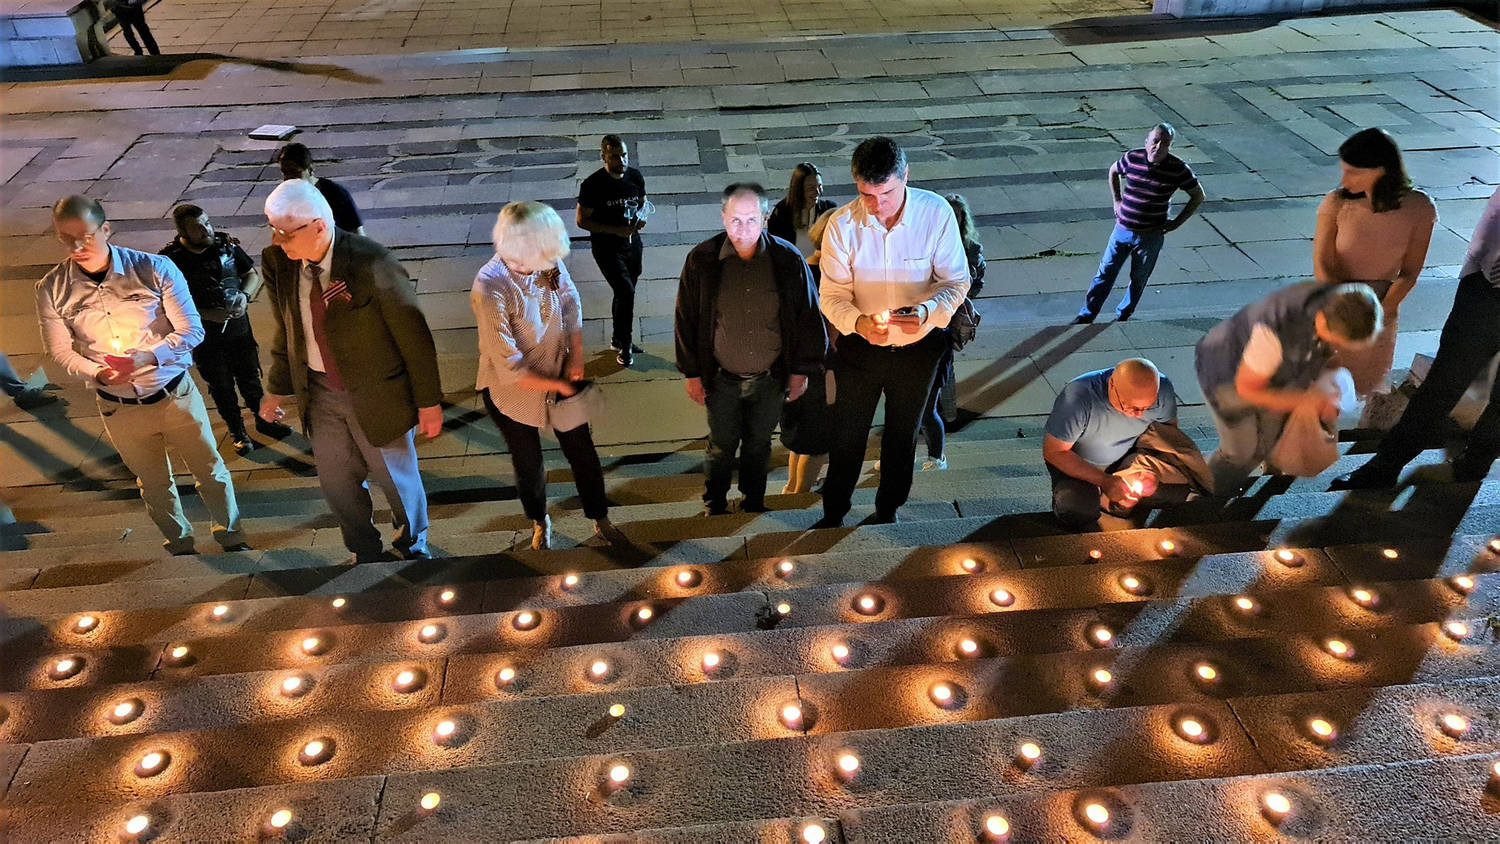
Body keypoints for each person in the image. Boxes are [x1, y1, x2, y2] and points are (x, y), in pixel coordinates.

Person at [36, 196, 246, 556]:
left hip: (174, 394)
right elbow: (60, 351)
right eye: (66, 238)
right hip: (118, 407)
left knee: (209, 470)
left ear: (105, 229)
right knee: (152, 482)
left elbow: (192, 330)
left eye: (86, 236)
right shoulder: (51, 288)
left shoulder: (153, 268)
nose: (77, 247)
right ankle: (179, 542)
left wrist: (147, 357)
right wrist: (98, 372)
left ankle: (230, 536)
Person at [257, 180, 442, 564]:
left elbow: (414, 336)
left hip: (377, 392)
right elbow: (287, 328)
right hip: (319, 392)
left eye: (285, 233)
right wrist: (276, 389)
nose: (276, 241)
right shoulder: (279, 262)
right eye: (272, 229)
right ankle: (363, 550)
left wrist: (428, 402)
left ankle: (412, 545)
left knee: (396, 478)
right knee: (337, 484)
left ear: (318, 227)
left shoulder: (371, 261)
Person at [816, 137, 970, 527]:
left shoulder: (935, 214)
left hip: (919, 348)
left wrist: (926, 311)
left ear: (906, 176)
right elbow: (831, 295)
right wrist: (858, 323)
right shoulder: (842, 225)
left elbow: (956, 281)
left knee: (903, 435)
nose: (877, 205)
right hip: (860, 349)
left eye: (886, 194)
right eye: (866, 194)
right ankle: (834, 510)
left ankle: (888, 509)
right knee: (847, 433)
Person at [473, 201, 627, 550]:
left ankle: (600, 518)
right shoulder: (490, 286)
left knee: (583, 454)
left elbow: (570, 300)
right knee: (528, 463)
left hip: (557, 371)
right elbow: (510, 365)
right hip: (513, 392)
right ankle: (539, 520)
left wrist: (576, 354)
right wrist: (560, 385)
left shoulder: (546, 258)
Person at [1331, 185, 1500, 489]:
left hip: (1485, 288)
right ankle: (1386, 465)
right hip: (1486, 293)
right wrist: (1474, 273)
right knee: (1442, 384)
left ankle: (1475, 464)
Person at [675, 183, 827, 515]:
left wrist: (801, 371)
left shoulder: (787, 259)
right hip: (721, 377)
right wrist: (692, 373)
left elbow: (808, 316)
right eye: (735, 220)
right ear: (723, 217)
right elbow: (686, 318)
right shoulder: (703, 259)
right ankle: (715, 503)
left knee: (759, 444)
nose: (743, 229)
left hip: (770, 377)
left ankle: (753, 502)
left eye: (751, 220)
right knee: (721, 445)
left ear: (766, 217)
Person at [1196, 282, 1381, 496]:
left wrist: (1328, 384)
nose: (1338, 347)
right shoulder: (1274, 334)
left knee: (1274, 432)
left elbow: (1328, 356)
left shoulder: (1333, 305)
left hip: (1276, 370)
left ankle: (1271, 476)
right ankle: (1200, 495)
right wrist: (1308, 400)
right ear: (1322, 320)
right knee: (1242, 451)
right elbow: (1247, 390)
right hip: (1226, 373)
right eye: (1337, 341)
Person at [1312, 128, 1436, 396]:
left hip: (1382, 305)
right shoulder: (1336, 203)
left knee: (1368, 385)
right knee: (1323, 387)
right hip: (1337, 301)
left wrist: (1382, 310)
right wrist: (1346, 307)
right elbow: (1322, 263)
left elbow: (1410, 272)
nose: (1344, 180)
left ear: (1380, 170)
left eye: (1353, 172)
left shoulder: (1419, 208)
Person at [161, 204, 290, 455]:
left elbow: (250, 274)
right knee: (221, 386)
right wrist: (205, 314)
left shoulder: (225, 246)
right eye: (198, 228)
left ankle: (264, 420)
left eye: (207, 223)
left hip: (238, 329)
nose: (206, 230)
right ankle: (237, 431)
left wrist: (244, 296)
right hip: (204, 336)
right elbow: (166, 301)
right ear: (183, 232)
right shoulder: (170, 261)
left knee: (250, 377)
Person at [1075, 123, 1205, 324]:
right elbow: (1113, 171)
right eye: (1155, 141)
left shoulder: (1178, 169)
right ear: (1147, 142)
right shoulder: (1132, 158)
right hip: (1122, 230)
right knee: (1105, 273)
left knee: (1139, 278)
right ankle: (1087, 314)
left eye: (1165, 143)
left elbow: (1198, 195)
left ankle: (1123, 314)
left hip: (1150, 235)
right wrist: (1116, 200)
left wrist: (1177, 223)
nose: (1158, 146)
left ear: (1170, 146)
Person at [1044, 359, 1196, 529]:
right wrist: (1105, 481)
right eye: (1131, 407)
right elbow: (1054, 452)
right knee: (1076, 508)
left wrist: (1149, 470)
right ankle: (1105, 501)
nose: (1138, 415)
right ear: (1111, 385)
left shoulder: (1163, 389)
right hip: (1080, 465)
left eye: (1147, 407)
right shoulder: (1078, 398)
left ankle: (1114, 503)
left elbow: (1167, 435)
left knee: (1179, 493)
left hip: (1127, 460)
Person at [916, 193, 988, 472]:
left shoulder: (969, 248)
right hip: (924, 324)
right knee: (917, 405)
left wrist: (960, 295)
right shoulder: (927, 241)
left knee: (929, 400)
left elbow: (976, 280)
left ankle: (937, 455)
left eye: (958, 214)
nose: (953, 218)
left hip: (942, 325)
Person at [576, 135, 648, 367]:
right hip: (607, 248)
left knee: (625, 293)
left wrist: (641, 217)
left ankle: (618, 338)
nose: (621, 161)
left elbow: (643, 201)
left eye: (624, 155)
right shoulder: (593, 185)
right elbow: (582, 220)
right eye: (615, 156)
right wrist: (615, 230)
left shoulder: (634, 177)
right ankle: (625, 345)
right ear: (604, 157)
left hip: (632, 243)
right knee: (626, 291)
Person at [276, 143, 366, 236]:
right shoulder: (287, 198)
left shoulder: (335, 193)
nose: (289, 178)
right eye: (285, 173)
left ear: (310, 169)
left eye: (294, 172)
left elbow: (358, 234)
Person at [768, 162, 837, 278]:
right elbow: (775, 250)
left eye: (819, 186)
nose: (817, 192)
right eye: (811, 188)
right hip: (793, 274)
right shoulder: (781, 213)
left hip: (820, 273)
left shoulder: (828, 210)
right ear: (798, 189)